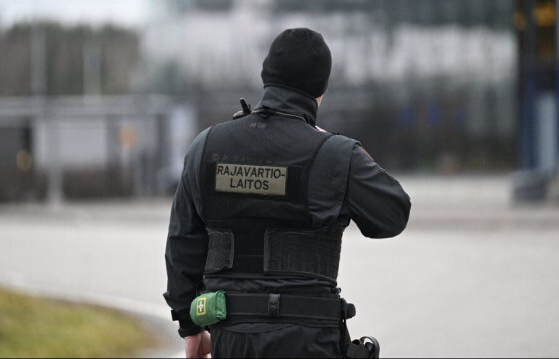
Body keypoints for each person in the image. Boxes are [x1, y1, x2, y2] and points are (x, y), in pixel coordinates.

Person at [164, 27, 411, 358]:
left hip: (232, 337)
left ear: (267, 76)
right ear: (320, 89)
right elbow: (393, 213)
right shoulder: (334, 153)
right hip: (309, 338)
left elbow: (183, 239)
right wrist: (342, 150)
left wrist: (189, 325)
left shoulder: (206, 146)